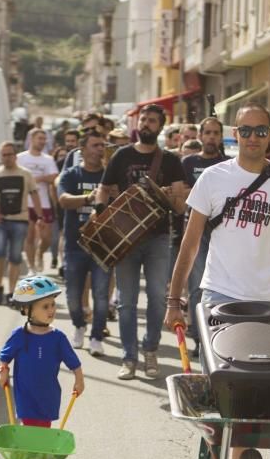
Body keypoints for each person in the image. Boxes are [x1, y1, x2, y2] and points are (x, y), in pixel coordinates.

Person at [164, 102, 270, 459]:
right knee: (226, 385)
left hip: (268, 300)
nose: (251, 138)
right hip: (219, 296)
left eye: (260, 131)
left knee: (264, 389)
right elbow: (190, 244)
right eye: (244, 131)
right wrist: (174, 301)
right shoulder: (213, 178)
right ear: (235, 135)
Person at [94, 103, 189, 380]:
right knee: (126, 302)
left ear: (160, 126)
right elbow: (103, 189)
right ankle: (129, 357)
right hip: (126, 239)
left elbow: (181, 207)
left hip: (158, 238)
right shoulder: (122, 155)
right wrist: (101, 212)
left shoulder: (170, 161)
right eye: (143, 119)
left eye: (152, 120)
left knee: (159, 299)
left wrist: (172, 194)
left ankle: (150, 350)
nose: (146, 124)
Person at [0, 276, 85, 429]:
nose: (51, 310)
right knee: (29, 428)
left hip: (47, 396)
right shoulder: (19, 335)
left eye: (53, 305)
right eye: (45, 306)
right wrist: (3, 370)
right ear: (27, 309)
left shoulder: (58, 338)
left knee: (43, 429)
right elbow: (5, 357)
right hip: (26, 396)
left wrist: (79, 379)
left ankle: (38, 454)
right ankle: (32, 453)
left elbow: (74, 363)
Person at [179, 116, 231, 354]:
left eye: (215, 133)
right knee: (196, 288)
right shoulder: (188, 163)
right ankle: (200, 340)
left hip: (222, 234)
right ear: (200, 136)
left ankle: (218, 337)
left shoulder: (228, 164)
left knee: (222, 288)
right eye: (207, 132)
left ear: (221, 137)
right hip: (195, 231)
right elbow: (180, 196)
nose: (211, 137)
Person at [58, 130, 110, 357]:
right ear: (83, 149)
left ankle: (97, 336)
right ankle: (79, 325)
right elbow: (63, 200)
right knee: (72, 294)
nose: (100, 149)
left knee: (100, 294)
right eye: (95, 145)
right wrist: (90, 198)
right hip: (74, 245)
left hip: (103, 246)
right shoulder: (71, 174)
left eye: (102, 145)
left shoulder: (109, 175)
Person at [0, 141, 42, 306]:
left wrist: (40, 216)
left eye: (10, 154)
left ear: (15, 155)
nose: (7, 158)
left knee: (15, 257)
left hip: (20, 221)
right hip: (0, 221)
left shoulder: (25, 174)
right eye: (4, 155)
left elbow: (35, 194)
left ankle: (12, 291)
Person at [18, 129, 59, 273]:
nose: (42, 141)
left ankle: (40, 254)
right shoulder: (21, 158)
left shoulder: (47, 159)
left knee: (47, 237)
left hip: (44, 203)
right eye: (39, 138)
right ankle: (31, 267)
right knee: (29, 236)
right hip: (26, 203)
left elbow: (54, 177)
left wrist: (39, 179)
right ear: (31, 139)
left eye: (44, 139)